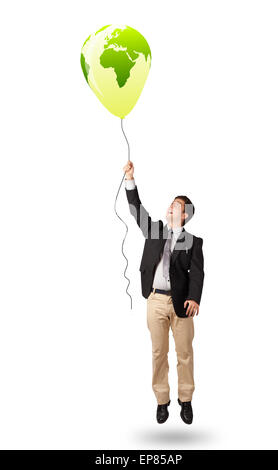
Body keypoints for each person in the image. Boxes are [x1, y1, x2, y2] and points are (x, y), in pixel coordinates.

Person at [123, 160, 205, 425]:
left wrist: (194, 297)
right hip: (156, 299)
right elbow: (136, 210)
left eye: (177, 205)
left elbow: (197, 272)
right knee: (158, 352)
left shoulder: (193, 241)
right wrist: (130, 180)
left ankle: (186, 400)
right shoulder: (155, 229)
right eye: (172, 202)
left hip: (182, 303)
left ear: (184, 215)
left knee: (184, 353)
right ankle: (161, 401)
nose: (172, 206)